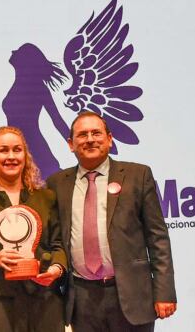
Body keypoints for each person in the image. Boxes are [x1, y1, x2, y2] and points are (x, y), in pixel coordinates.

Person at [46, 112, 177, 332]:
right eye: (82, 135)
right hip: (81, 298)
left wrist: (164, 292)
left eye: (96, 133)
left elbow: (158, 238)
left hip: (131, 294)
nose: (89, 139)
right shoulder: (56, 184)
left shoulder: (138, 175)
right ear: (70, 144)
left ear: (109, 138)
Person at [0, 126, 67, 332]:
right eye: (3, 150)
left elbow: (59, 245)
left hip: (44, 299)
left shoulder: (46, 197)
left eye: (17, 150)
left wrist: (56, 269)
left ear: (25, 155)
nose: (11, 156)